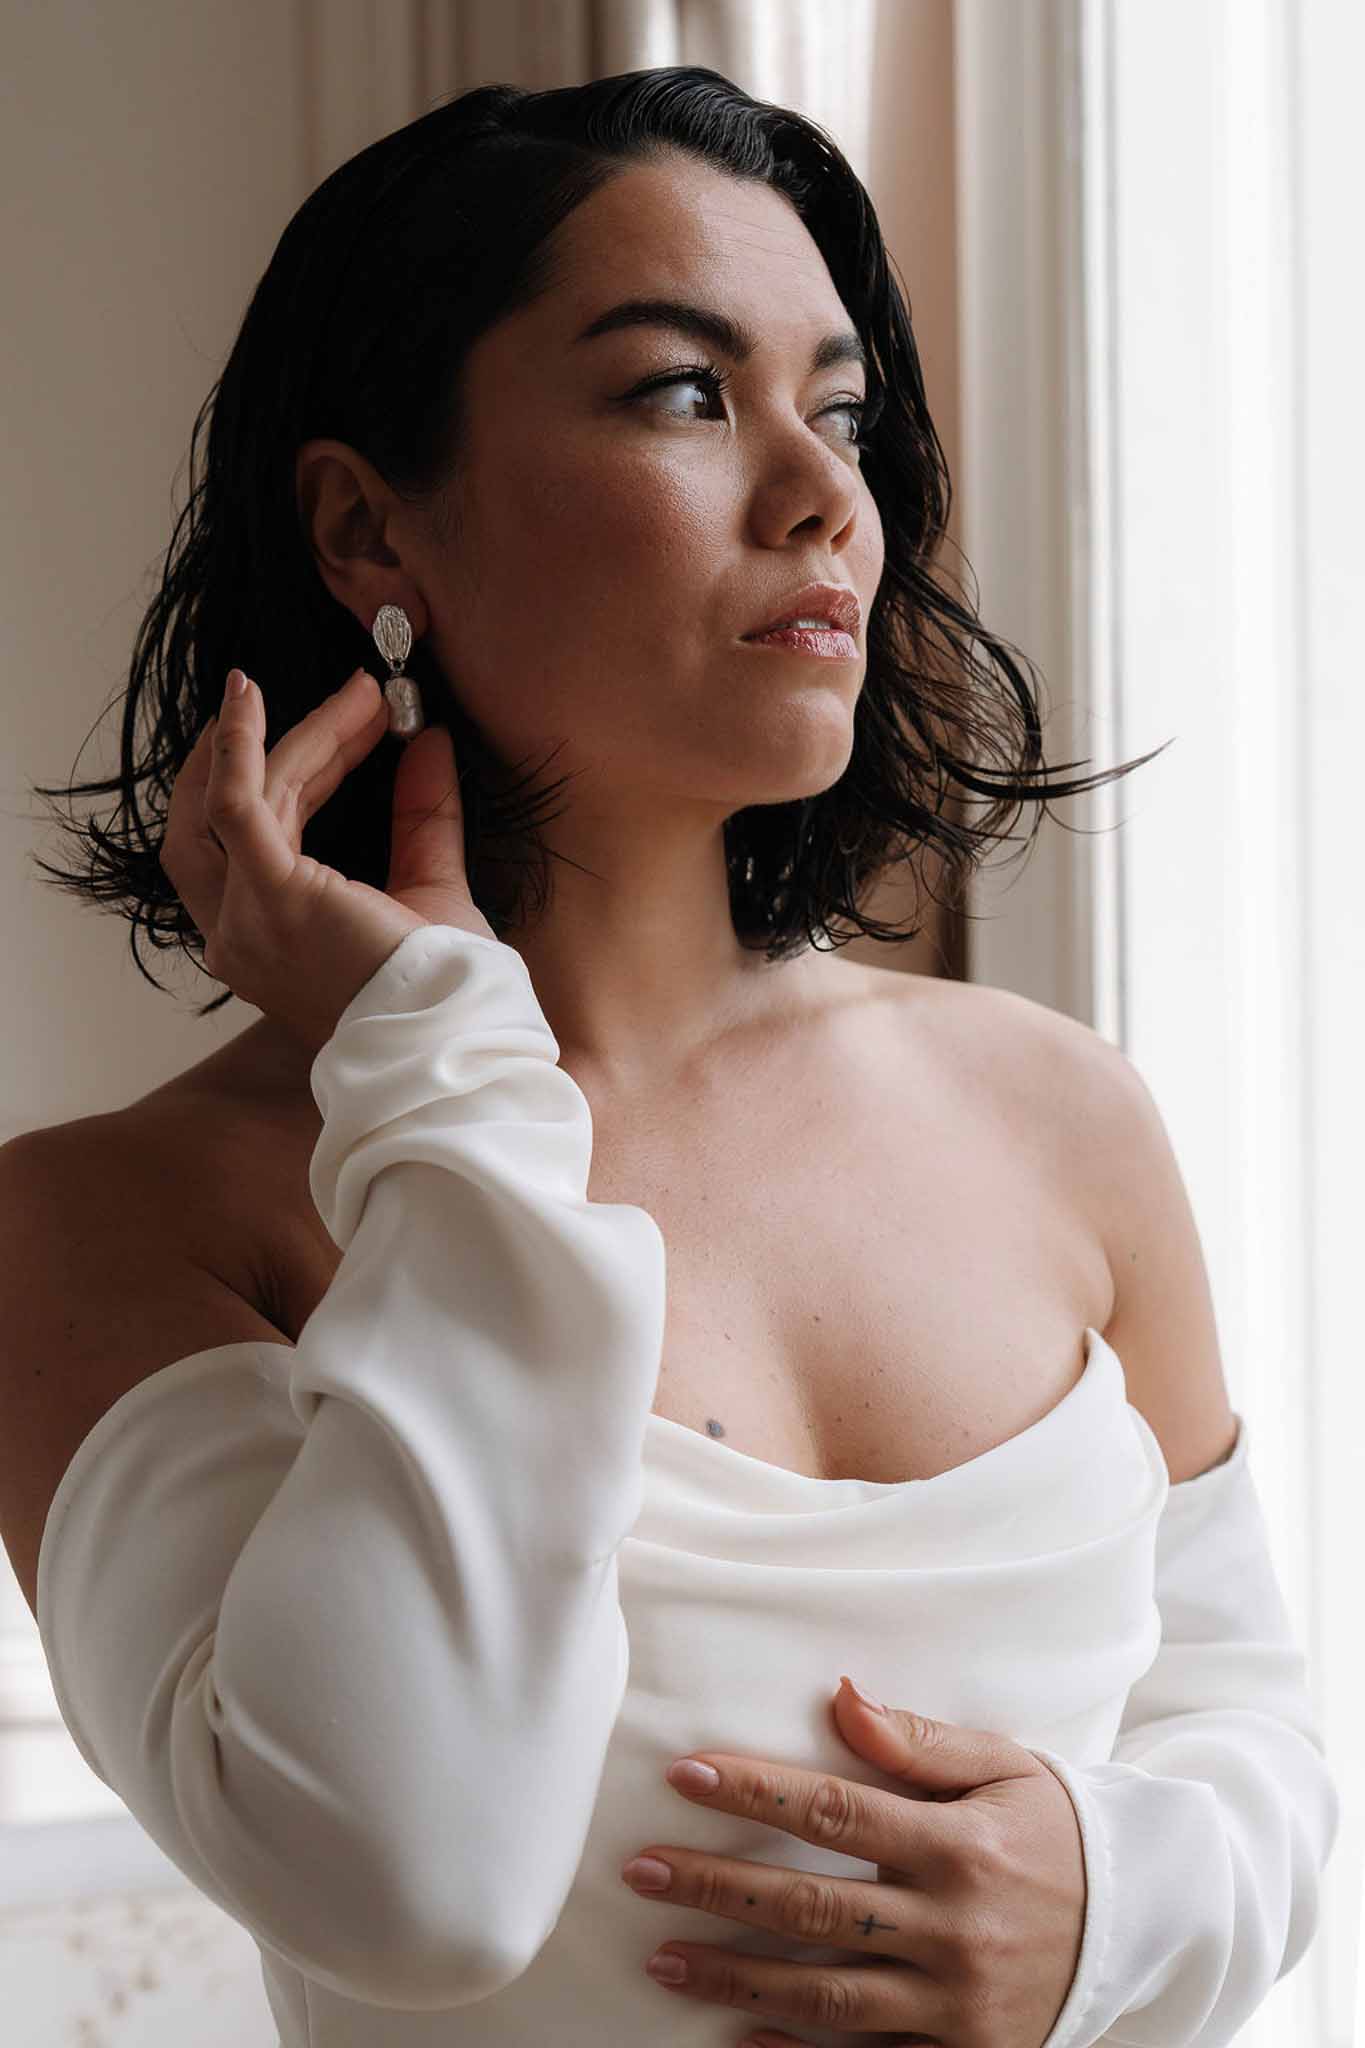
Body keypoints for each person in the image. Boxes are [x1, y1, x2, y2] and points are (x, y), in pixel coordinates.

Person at [3, 66, 1338, 2048]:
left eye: (845, 411)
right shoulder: (102, 1225)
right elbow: (411, 1877)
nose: (820, 492)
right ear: (370, 523)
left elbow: (1254, 1746)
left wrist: (1107, 1899)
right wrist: (441, 1073)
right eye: (684, 393)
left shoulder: (1060, 1113)